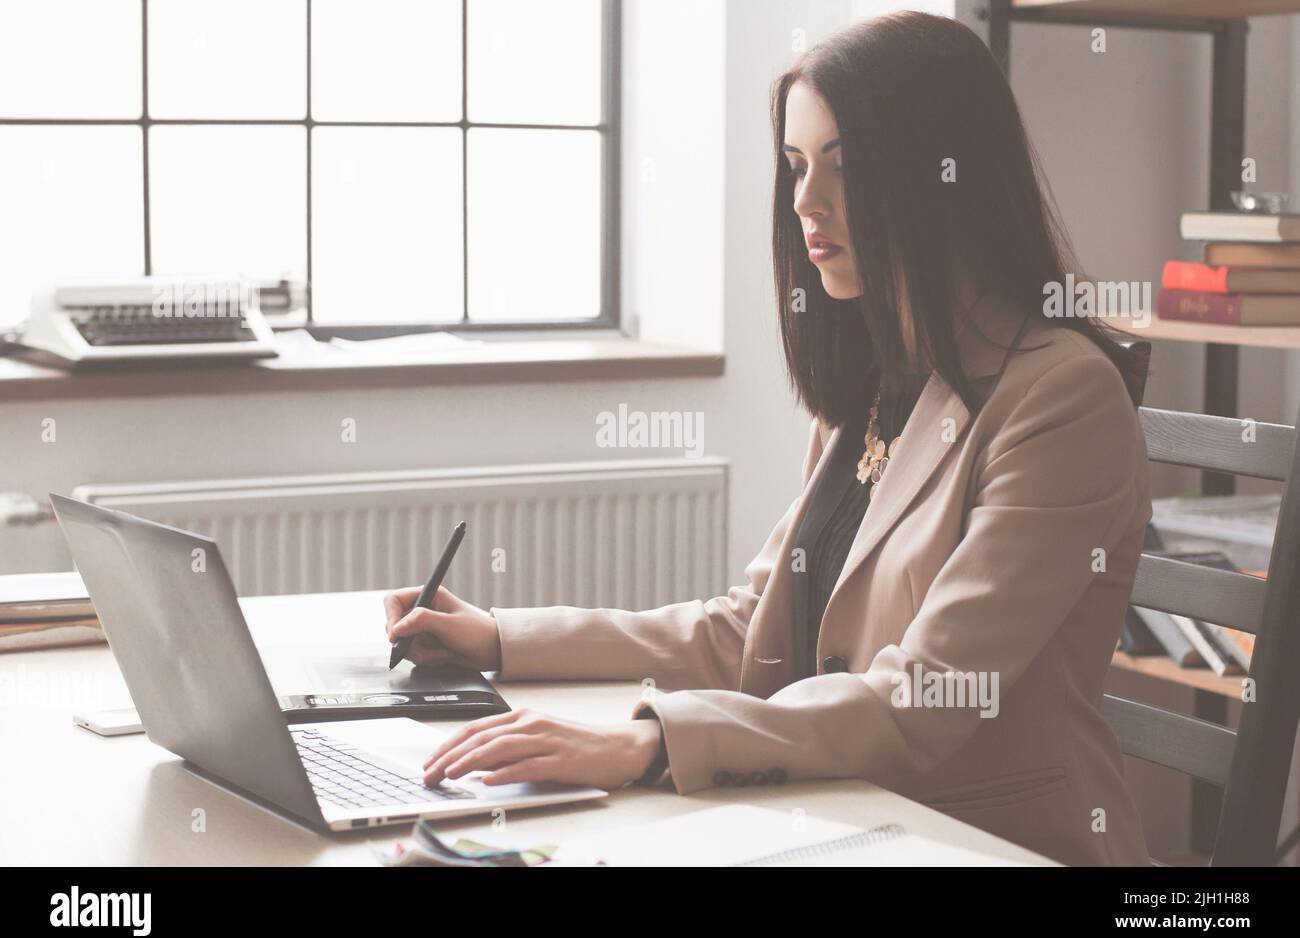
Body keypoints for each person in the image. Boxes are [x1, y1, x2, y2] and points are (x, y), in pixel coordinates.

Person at [383, 12, 1152, 866]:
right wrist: (501, 638)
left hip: (985, 844)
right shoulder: (874, 379)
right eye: (796, 165)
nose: (805, 202)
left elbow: (923, 698)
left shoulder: (1061, 399)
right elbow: (750, 632)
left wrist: (650, 743)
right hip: (835, 821)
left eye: (844, 164)